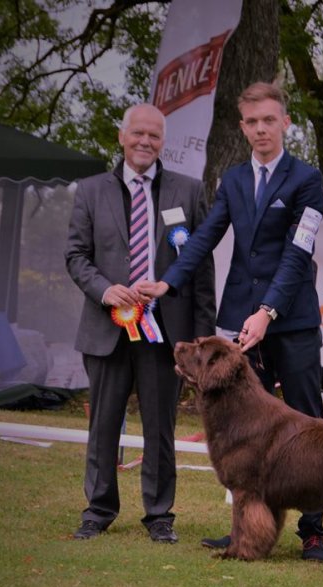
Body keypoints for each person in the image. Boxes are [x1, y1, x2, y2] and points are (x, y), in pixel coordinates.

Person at [138, 82, 323, 561]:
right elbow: (204, 238)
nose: (261, 129)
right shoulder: (234, 179)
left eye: (269, 119)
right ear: (242, 127)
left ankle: (312, 532)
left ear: (285, 122)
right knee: (247, 431)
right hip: (241, 320)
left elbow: (297, 255)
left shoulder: (307, 179)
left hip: (291, 319)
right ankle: (248, 529)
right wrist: (167, 282)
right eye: (252, 122)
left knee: (308, 425)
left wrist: (268, 312)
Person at [65, 103, 216, 543]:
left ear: (162, 142)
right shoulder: (91, 191)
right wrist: (104, 289)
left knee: (160, 428)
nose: (146, 141)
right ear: (122, 137)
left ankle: (159, 515)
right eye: (138, 134)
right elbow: (76, 256)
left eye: (154, 135)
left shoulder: (188, 192)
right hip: (106, 328)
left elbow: (200, 265)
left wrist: (201, 337)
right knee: (103, 426)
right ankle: (98, 509)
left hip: (164, 333)